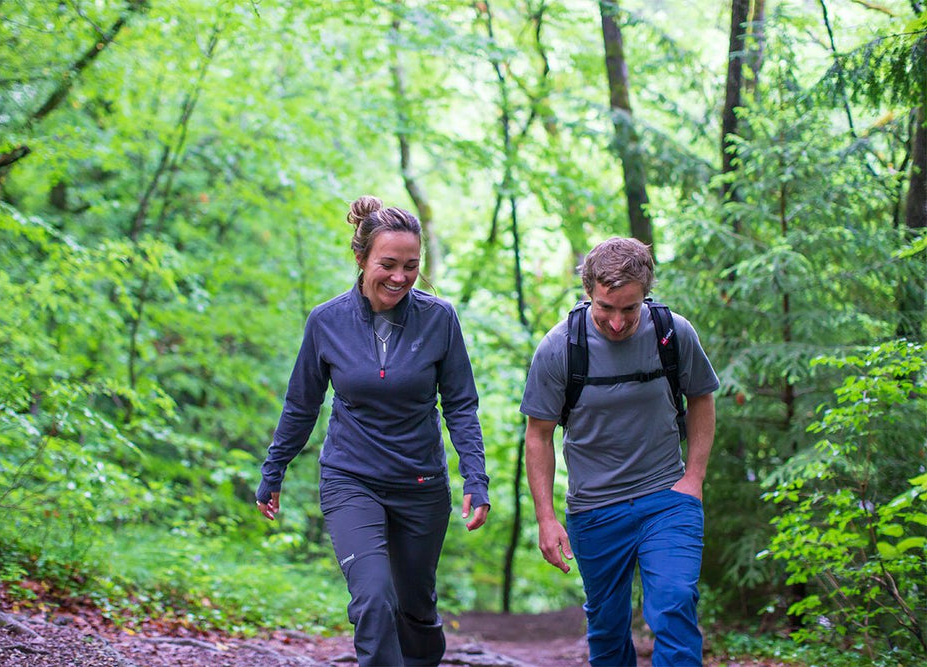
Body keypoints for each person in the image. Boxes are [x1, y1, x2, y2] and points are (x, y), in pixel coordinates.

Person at [256, 195, 490, 667]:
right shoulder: (327, 322)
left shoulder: (439, 319)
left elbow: (460, 404)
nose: (400, 277)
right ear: (361, 259)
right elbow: (302, 404)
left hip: (420, 484)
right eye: (388, 263)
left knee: (415, 608)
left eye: (410, 265)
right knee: (373, 600)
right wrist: (274, 468)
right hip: (351, 479)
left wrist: (476, 476)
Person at [520, 237, 718, 667]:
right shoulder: (559, 348)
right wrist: (546, 518)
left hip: (668, 498)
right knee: (608, 631)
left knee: (674, 603)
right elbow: (538, 435)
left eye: (629, 309)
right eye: (605, 308)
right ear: (589, 291)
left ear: (646, 292)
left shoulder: (673, 333)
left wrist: (694, 478)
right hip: (594, 510)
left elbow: (702, 398)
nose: (616, 322)